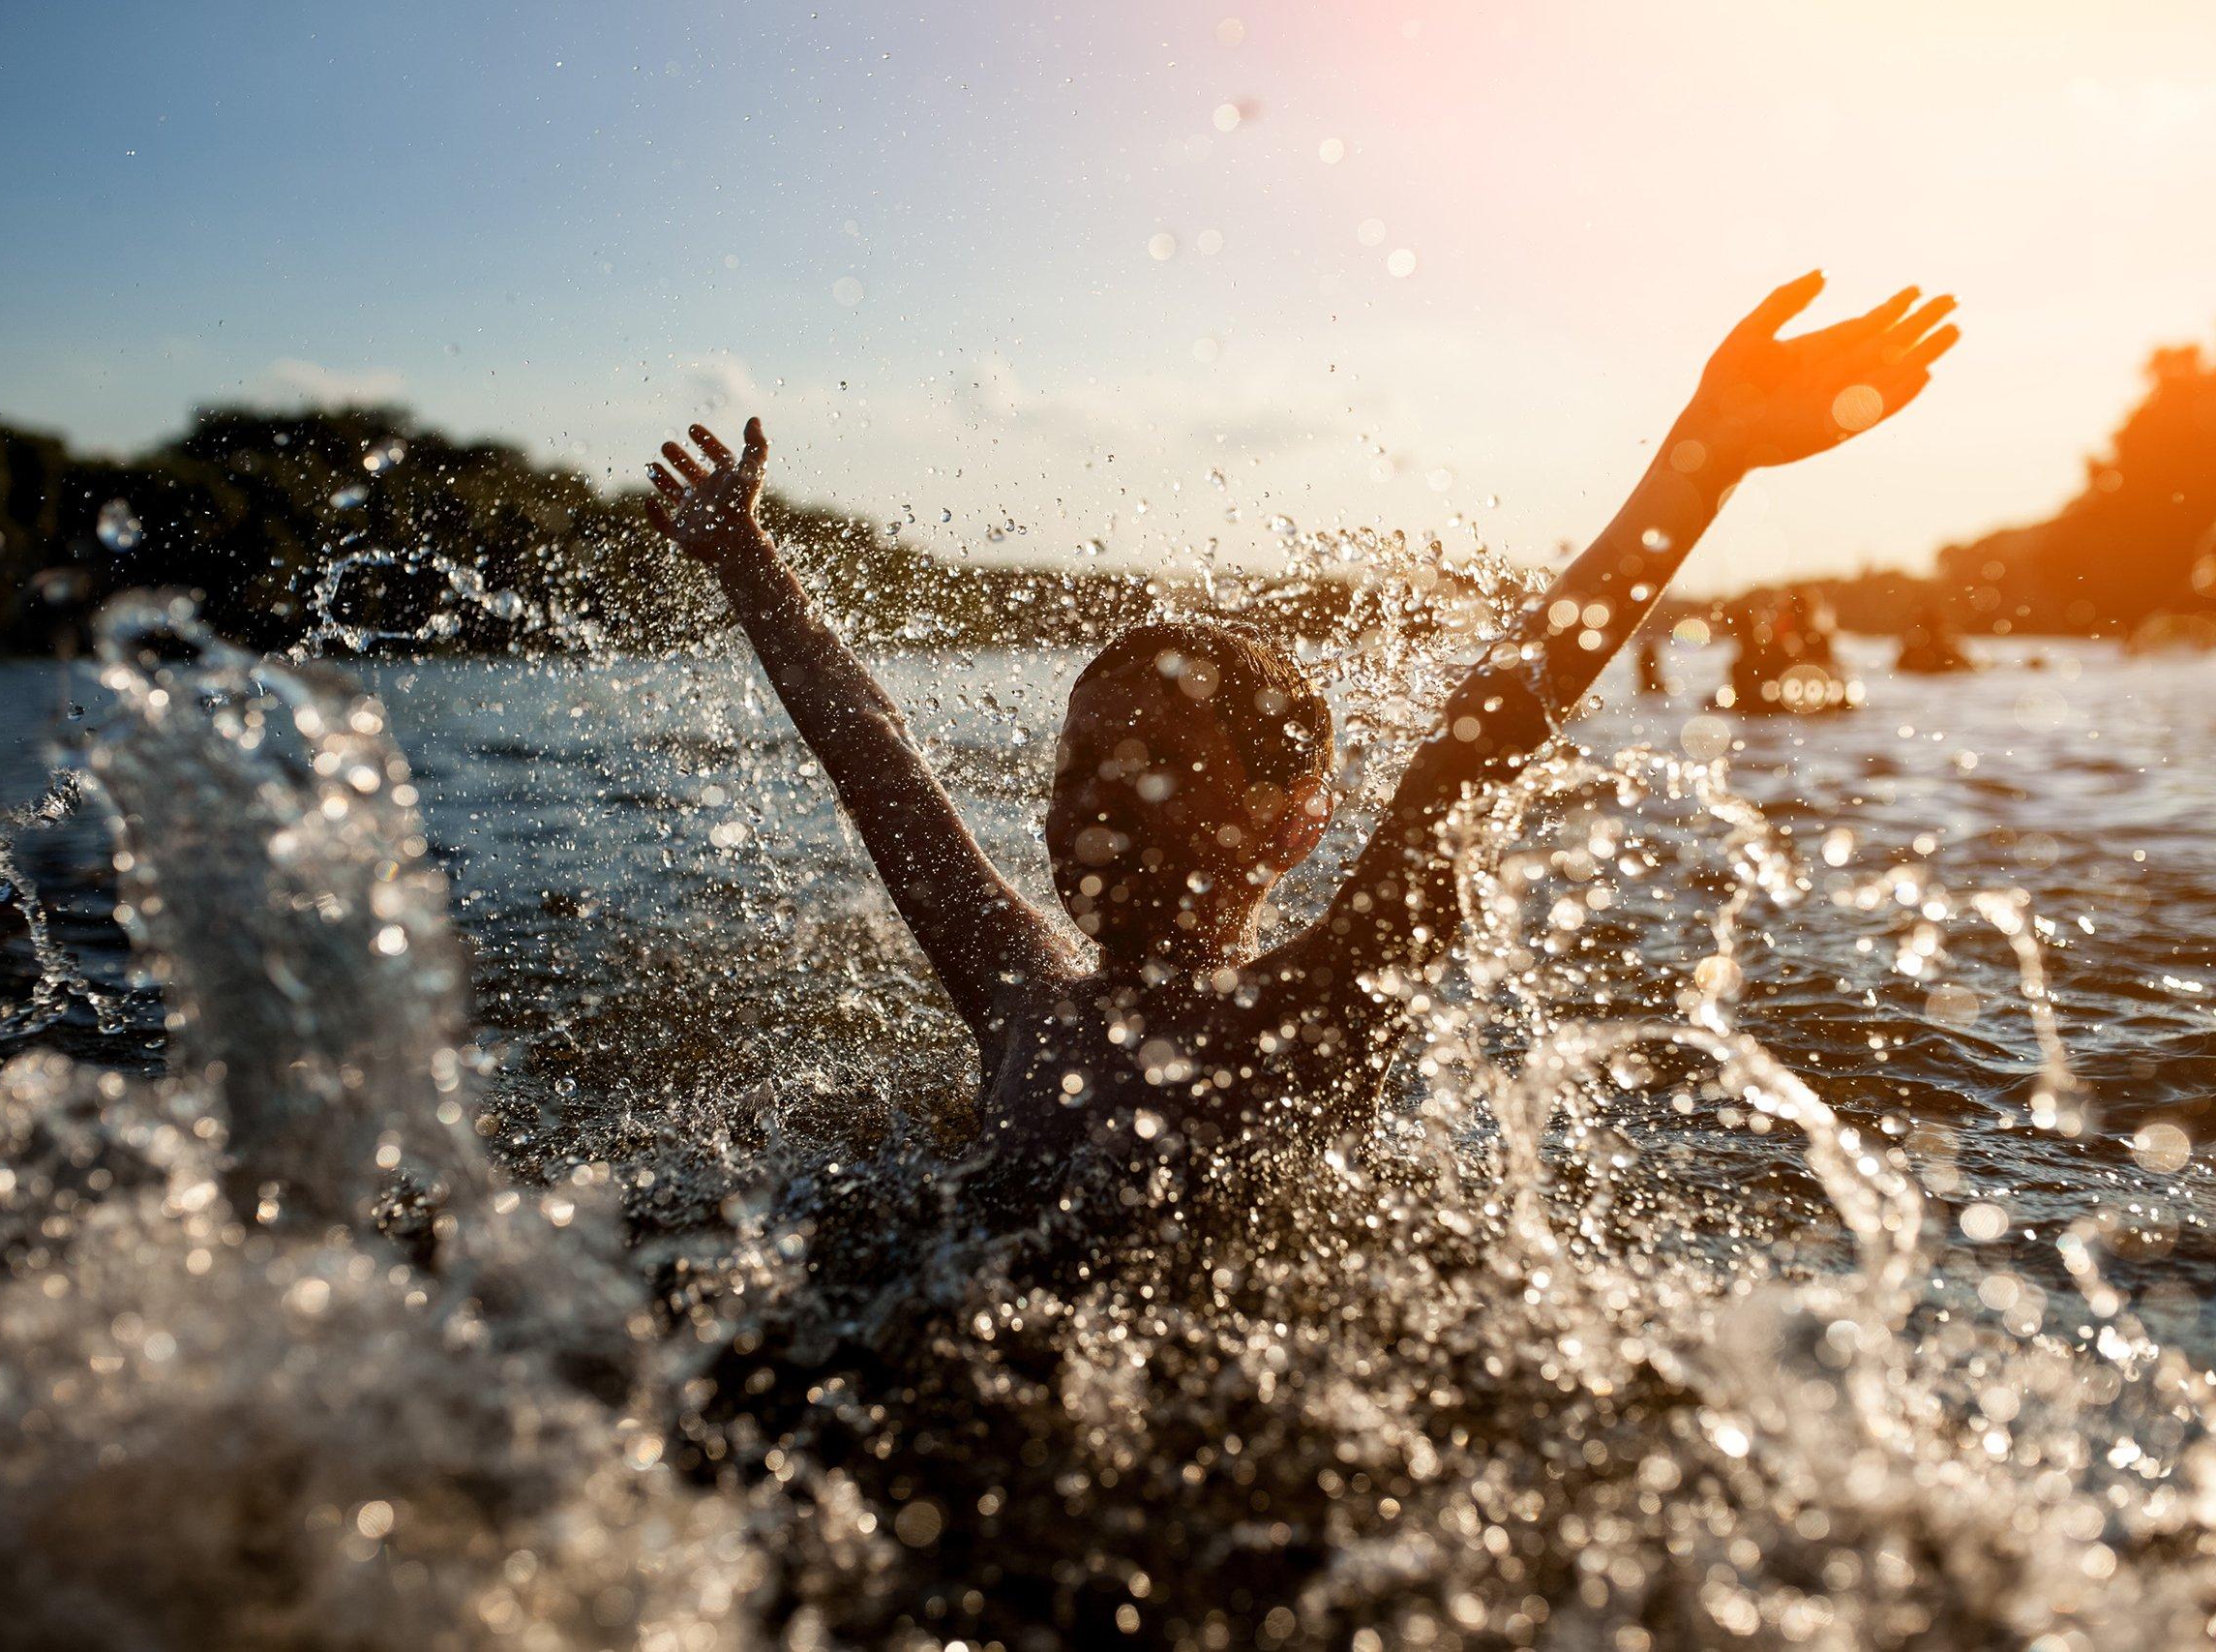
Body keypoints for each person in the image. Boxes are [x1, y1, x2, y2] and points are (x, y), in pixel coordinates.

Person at [639, 273, 1957, 1235]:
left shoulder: (1317, 1007)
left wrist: (1702, 462)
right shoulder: (1017, 993)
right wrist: (748, 560)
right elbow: (875, 760)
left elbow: (1483, 736)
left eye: (1153, 760)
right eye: (1078, 767)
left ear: (1292, 823)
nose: (1096, 799)